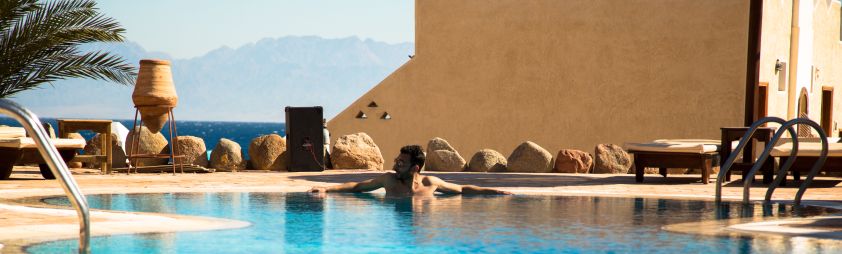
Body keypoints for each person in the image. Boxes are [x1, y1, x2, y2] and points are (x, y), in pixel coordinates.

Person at [310, 145, 511, 196]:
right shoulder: (388, 180)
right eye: (397, 160)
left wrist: (495, 191)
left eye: (401, 163)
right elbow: (357, 186)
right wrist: (327, 190)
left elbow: (463, 189)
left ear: (415, 168)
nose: (396, 164)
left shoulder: (430, 183)